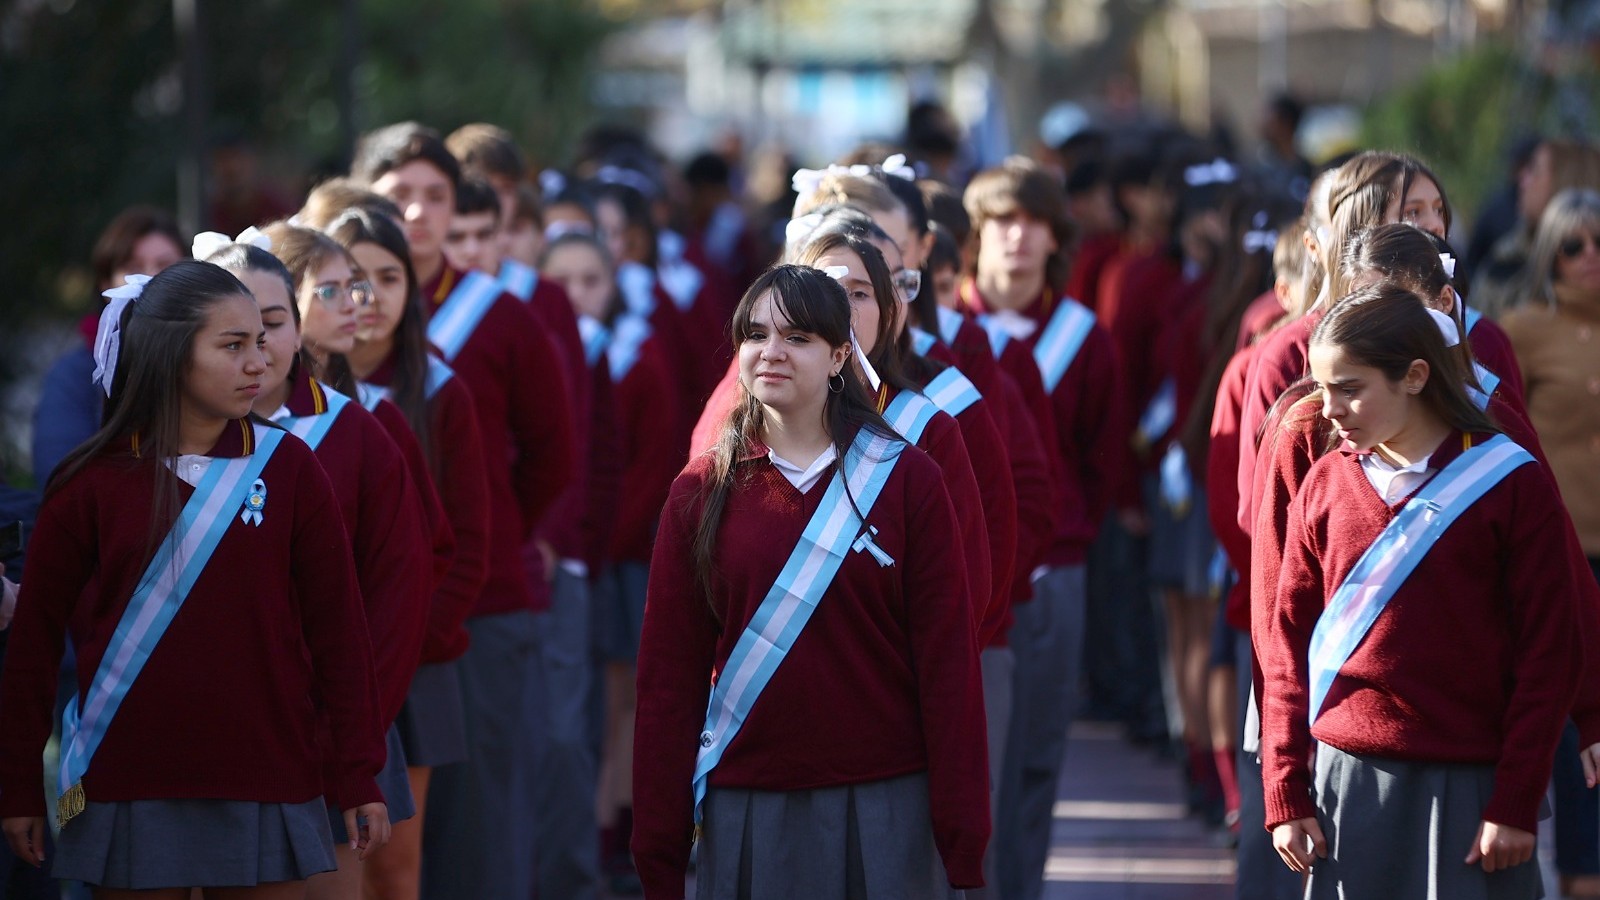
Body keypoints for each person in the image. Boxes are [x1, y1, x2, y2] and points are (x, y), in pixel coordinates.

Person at [0, 260, 389, 896]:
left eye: (261, 341)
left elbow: (340, 635)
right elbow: (35, 649)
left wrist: (358, 772)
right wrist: (19, 784)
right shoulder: (89, 484)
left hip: (266, 776)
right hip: (129, 782)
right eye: (232, 345)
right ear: (169, 355)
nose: (258, 363)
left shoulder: (291, 469)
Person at [632, 264, 989, 898]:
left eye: (797, 337)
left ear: (839, 357)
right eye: (756, 334)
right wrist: (657, 848)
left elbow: (948, 663)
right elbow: (668, 677)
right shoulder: (699, 492)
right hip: (747, 798)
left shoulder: (908, 480)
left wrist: (962, 833)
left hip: (886, 794)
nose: (771, 352)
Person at [1260, 283, 1586, 897]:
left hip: (1472, 786)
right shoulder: (1325, 482)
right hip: (1344, 781)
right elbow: (1284, 643)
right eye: (1322, 388)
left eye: (1349, 389)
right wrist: (1284, 783)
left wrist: (1516, 798)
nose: (1327, 409)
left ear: (1414, 376)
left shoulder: (1512, 482)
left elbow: (1551, 652)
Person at [352, 120, 576, 900]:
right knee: (369, 843)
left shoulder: (502, 312)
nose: (417, 212)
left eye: (435, 195)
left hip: (476, 609)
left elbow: (555, 453)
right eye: (398, 194)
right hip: (353, 619)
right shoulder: (320, 320)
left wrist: (500, 528)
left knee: (478, 829)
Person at [203, 225, 431, 900]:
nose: (258, 346)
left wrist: (350, 731)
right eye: (230, 329)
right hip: (204, 744)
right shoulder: (160, 444)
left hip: (333, 737)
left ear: (298, 329)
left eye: (272, 322)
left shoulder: (357, 432)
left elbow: (398, 597)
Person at [961, 157, 1123, 900]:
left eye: (1031, 223)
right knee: (969, 758)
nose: (1016, 238)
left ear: (1056, 238)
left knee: (1034, 755)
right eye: (1000, 222)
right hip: (966, 574)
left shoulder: (1085, 337)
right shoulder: (946, 326)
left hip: (1054, 571)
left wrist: (1066, 538)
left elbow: (1101, 457)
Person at [323, 205, 490, 900]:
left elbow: (465, 545)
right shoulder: (275, 404)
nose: (366, 298)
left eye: (387, 278)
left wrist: (403, 641)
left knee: (392, 862)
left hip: (411, 663)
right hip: (320, 667)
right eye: (347, 280)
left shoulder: (438, 389)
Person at [539, 231, 680, 891]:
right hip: (565, 555)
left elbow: (652, 462)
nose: (576, 294)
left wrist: (606, 537)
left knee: (618, 696)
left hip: (619, 555)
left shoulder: (636, 352)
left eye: (590, 279)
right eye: (560, 280)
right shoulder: (540, 343)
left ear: (613, 283)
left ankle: (614, 823)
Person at [1501, 188, 1600, 898]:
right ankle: (1578, 876)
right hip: (1565, 554)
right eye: (1572, 245)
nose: (1588, 257)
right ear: (1548, 255)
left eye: (1599, 243)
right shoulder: (1523, 330)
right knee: (1573, 728)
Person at [33, 208, 186, 485]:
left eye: (165, 266)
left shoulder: (212, 362)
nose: (149, 280)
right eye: (133, 268)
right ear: (106, 284)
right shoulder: (73, 375)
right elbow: (60, 475)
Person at [1472, 139, 1600, 318]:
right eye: (1572, 247)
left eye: (1534, 171)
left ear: (1566, 180)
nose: (1522, 180)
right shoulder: (1505, 261)